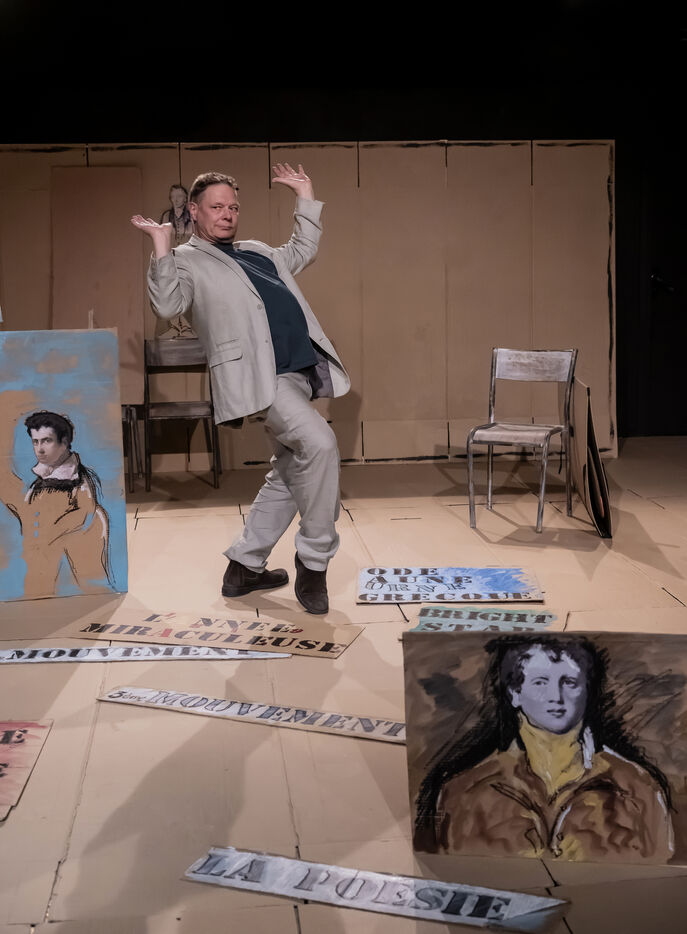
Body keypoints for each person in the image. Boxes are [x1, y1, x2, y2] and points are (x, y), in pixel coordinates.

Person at [131, 164, 349, 614]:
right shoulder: (186, 260)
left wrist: (305, 195)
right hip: (260, 379)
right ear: (194, 211)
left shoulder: (257, 251)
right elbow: (168, 304)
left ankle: (245, 566)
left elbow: (302, 250)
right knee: (320, 444)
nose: (227, 214)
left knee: (291, 469)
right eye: (217, 207)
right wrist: (162, 247)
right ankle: (314, 560)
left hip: (297, 371)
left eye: (233, 207)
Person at [414, 635, 675, 863]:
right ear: (515, 693)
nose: (556, 697)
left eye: (569, 682)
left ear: (587, 691)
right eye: (540, 682)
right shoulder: (465, 791)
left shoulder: (637, 788)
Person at [0, 410, 112, 597]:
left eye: (47, 441)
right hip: (47, 541)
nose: (40, 449)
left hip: (81, 536)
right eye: (35, 442)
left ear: (64, 442)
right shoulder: (41, 479)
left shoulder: (76, 478)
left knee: (91, 583)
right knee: (39, 585)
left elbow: (84, 512)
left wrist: (48, 535)